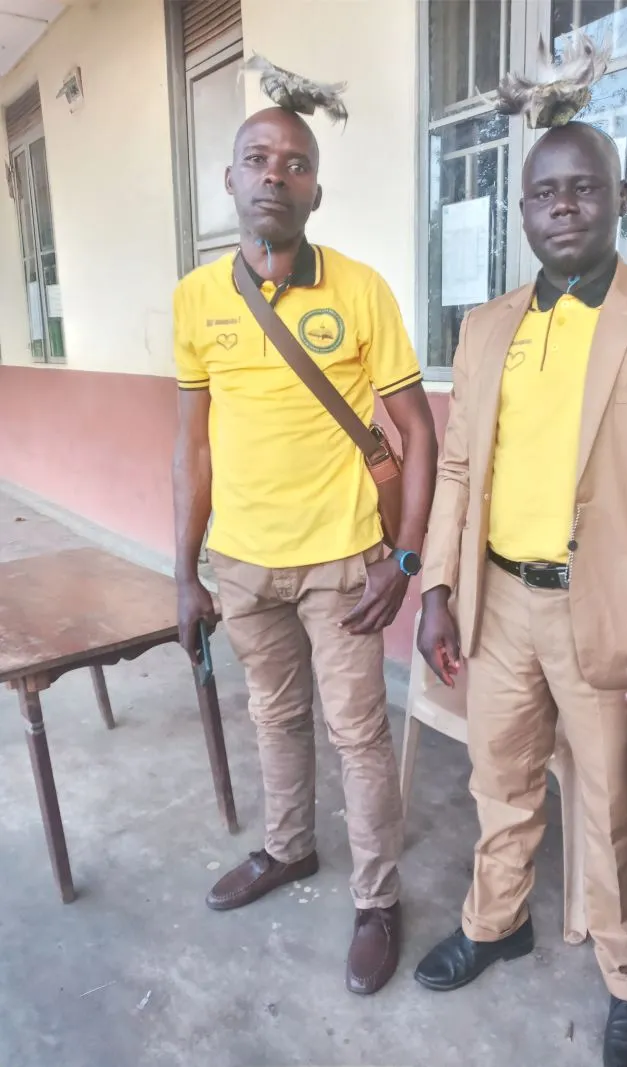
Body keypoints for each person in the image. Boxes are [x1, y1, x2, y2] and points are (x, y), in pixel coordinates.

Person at [414, 121, 627, 1067]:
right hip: (498, 605)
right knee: (498, 781)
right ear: (521, 211)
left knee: (616, 814)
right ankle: (497, 922)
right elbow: (457, 468)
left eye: (584, 186)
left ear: (620, 198)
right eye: (544, 192)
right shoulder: (486, 326)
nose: (563, 204)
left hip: (614, 617)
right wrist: (438, 586)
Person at [171, 103, 437, 996]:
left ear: (316, 190)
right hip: (243, 564)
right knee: (275, 716)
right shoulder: (195, 298)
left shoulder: (360, 289)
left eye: (295, 163)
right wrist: (185, 570)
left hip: (342, 562)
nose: (274, 176)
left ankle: (377, 899)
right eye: (257, 158)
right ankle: (288, 847)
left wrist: (405, 557)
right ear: (230, 180)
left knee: (358, 732)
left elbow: (417, 430)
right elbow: (192, 447)